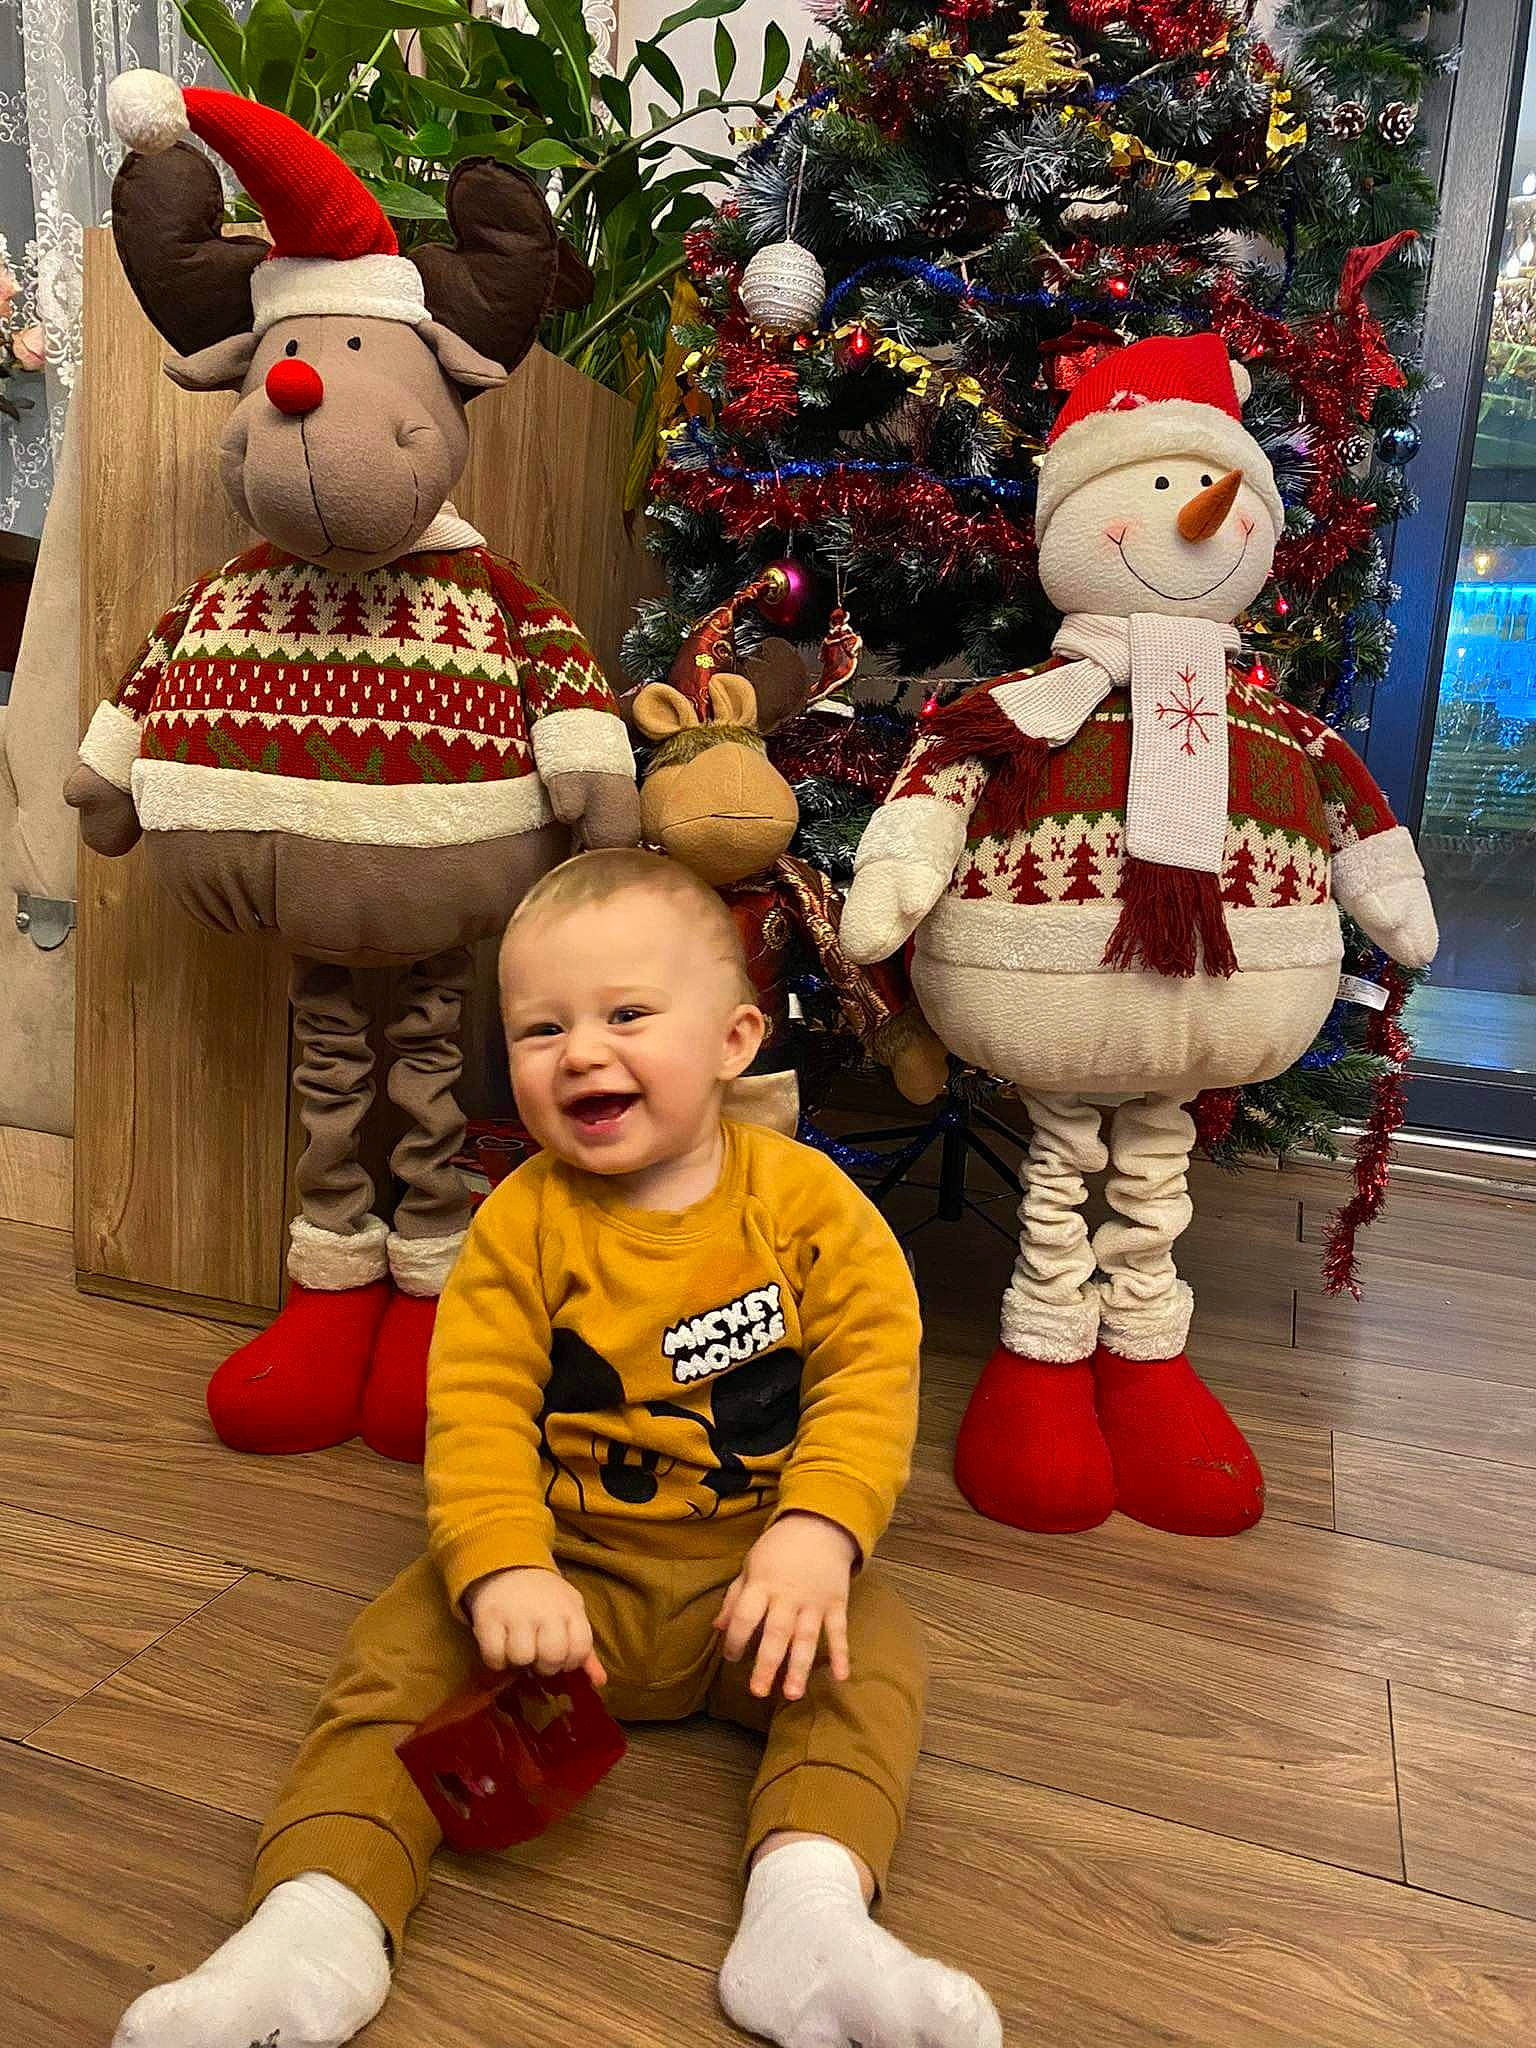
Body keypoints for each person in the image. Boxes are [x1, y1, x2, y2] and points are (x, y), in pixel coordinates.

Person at [114, 848, 1002, 2048]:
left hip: (754, 1585)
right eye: (539, 1028)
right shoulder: (519, 1223)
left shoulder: (807, 1206)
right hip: (557, 1584)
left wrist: (818, 1530)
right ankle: (314, 1917)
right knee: (394, 1651)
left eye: (627, 1015)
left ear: (736, 1038)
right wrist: (500, 1566)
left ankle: (811, 1913)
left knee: (876, 1655)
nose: (581, 1050)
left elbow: (872, 1372)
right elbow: (474, 1409)